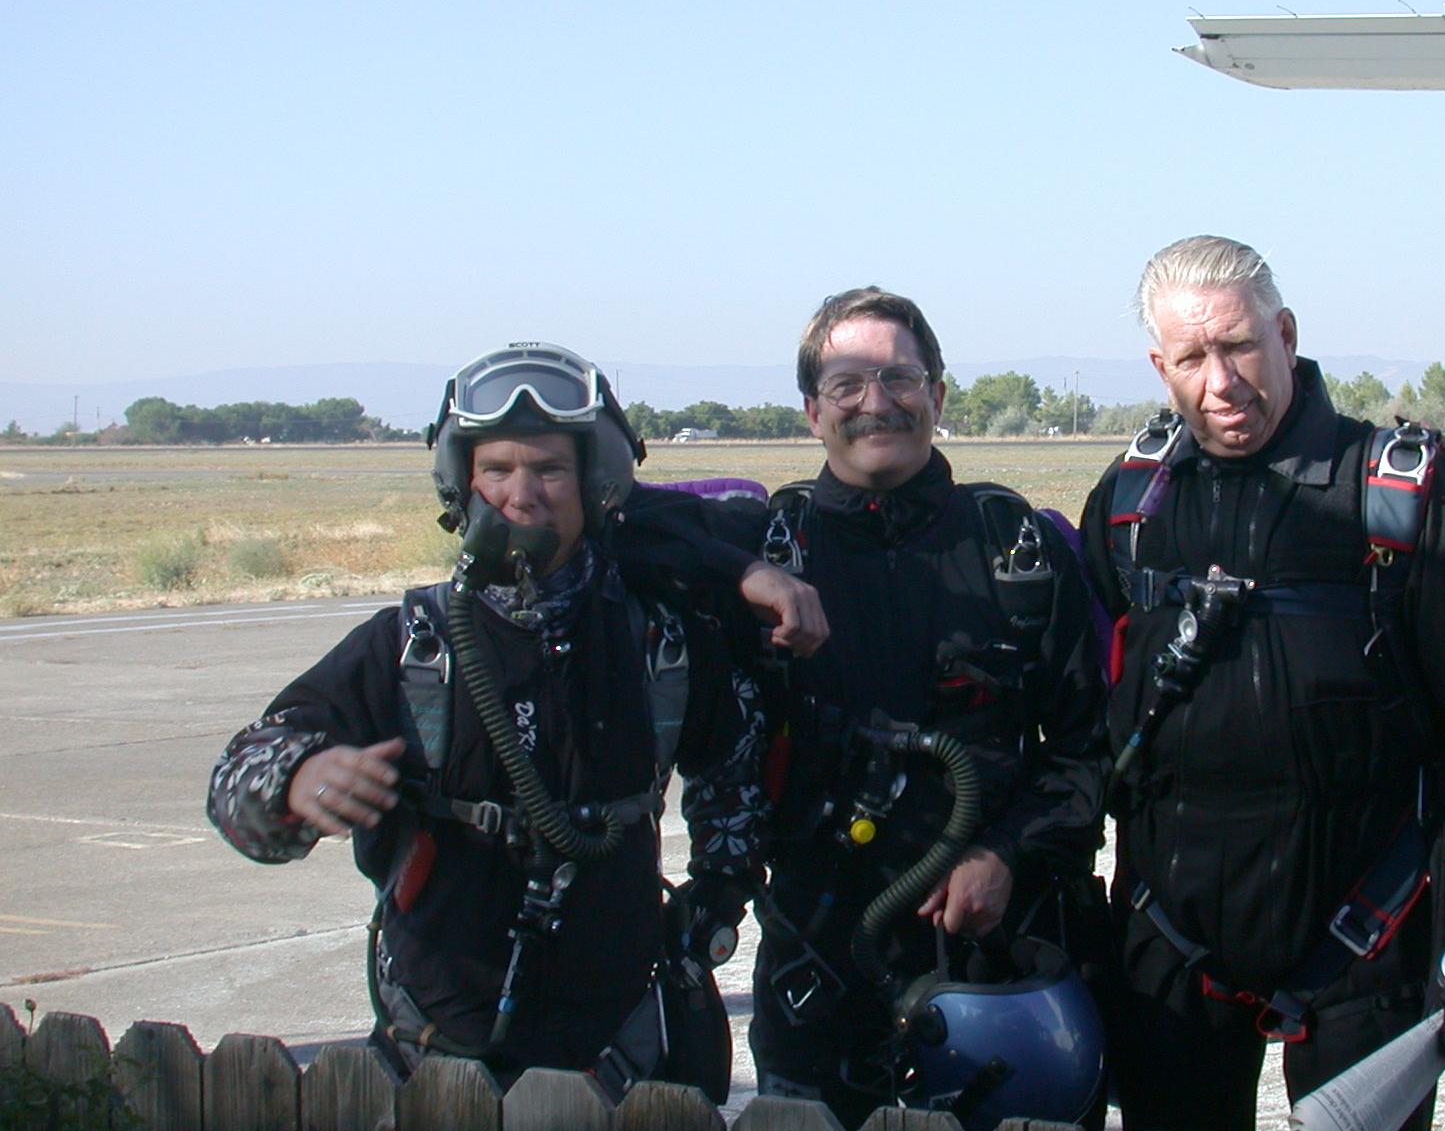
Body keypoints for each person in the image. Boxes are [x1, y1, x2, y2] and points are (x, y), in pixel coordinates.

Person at [207, 341, 825, 1094]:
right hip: (434, 1053)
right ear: (462, 483)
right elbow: (239, 776)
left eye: (550, 469)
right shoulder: (413, 646)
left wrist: (714, 902)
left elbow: (734, 770)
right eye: (496, 469)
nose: (521, 494)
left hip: (619, 1051)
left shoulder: (660, 642)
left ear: (593, 482)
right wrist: (295, 777)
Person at [1078, 236, 1445, 1131]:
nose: (1221, 382)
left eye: (1240, 346)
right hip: (1172, 940)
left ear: (1285, 334)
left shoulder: (1396, 488)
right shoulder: (1131, 503)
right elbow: (1077, 716)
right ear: (1161, 368)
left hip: (1370, 932)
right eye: (1192, 358)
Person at [720, 287, 1109, 1126]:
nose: (877, 402)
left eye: (899, 377)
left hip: (996, 967)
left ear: (936, 393)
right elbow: (612, 526)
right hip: (817, 970)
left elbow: (1090, 749)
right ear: (812, 410)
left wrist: (1007, 854)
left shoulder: (1018, 551)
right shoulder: (764, 550)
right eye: (847, 383)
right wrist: (743, 574)